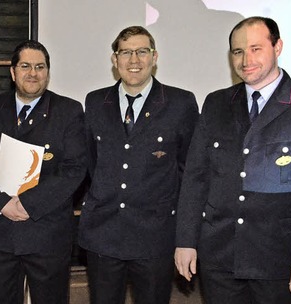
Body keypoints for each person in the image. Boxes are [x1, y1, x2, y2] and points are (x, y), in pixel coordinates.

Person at [174, 16, 291, 303]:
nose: (246, 59)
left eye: (256, 48)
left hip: (281, 260)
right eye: (238, 51)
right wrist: (185, 240)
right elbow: (196, 177)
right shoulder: (216, 103)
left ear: (278, 47)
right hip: (220, 258)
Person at [78, 26, 199, 304]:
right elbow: (92, 164)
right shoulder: (95, 102)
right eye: (126, 52)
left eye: (142, 51)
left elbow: (189, 172)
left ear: (154, 57)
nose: (134, 60)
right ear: (114, 59)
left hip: (155, 237)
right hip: (102, 235)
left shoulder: (181, 103)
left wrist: (185, 234)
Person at [0, 40, 87, 304]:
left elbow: (75, 168)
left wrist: (28, 203)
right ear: (13, 72)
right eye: (25, 66)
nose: (33, 73)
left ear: (48, 72)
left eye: (40, 67)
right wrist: (2, 203)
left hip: (47, 232)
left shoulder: (69, 111)